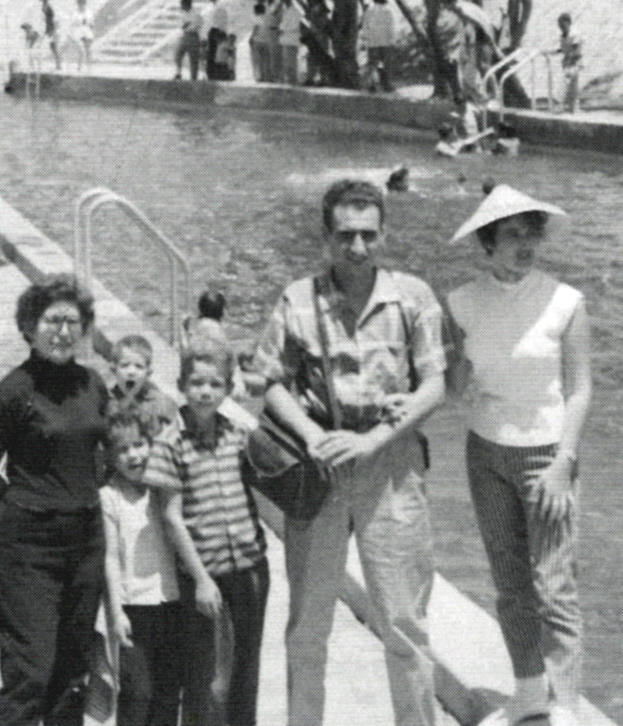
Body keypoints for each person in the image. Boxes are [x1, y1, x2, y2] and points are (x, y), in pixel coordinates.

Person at [255, 179, 448, 726]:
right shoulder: (297, 298)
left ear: (384, 234)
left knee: (404, 624)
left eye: (368, 235)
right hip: (320, 467)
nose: (357, 248)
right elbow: (268, 380)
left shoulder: (413, 297)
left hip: (391, 465)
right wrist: (312, 436)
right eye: (345, 235)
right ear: (326, 236)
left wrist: (373, 440)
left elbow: (435, 385)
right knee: (308, 626)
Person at [445, 186, 591, 726]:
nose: (525, 244)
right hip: (486, 452)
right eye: (512, 234)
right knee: (509, 583)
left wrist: (563, 463)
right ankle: (529, 693)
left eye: (532, 232)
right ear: (488, 242)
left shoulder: (565, 302)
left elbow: (580, 390)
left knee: (555, 585)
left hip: (547, 455)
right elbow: (456, 387)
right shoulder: (460, 303)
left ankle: (567, 706)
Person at [0, 275, 110, 726]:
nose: (64, 331)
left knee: (72, 671)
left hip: (86, 540)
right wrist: (28, 503)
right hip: (28, 547)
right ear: (30, 326)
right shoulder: (8, 394)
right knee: (29, 672)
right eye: (52, 320)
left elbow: (102, 454)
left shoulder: (93, 385)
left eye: (73, 321)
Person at [148, 334, 270, 726]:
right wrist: (200, 579)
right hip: (207, 575)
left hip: (249, 566)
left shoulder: (236, 434)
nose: (205, 392)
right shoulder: (170, 443)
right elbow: (170, 515)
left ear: (228, 390)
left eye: (215, 384)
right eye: (197, 383)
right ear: (182, 386)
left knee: (245, 669)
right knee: (206, 676)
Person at [101, 410, 186, 726]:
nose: (133, 455)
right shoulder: (109, 497)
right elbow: (109, 556)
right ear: (110, 457)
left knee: (168, 693)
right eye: (122, 450)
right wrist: (115, 611)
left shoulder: (163, 490)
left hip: (172, 603)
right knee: (138, 693)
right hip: (134, 608)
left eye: (139, 445)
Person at [110, 334, 180, 439]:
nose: (131, 372)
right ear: (113, 370)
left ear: (148, 373)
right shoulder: (105, 401)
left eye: (139, 366)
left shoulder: (162, 404)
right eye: (124, 365)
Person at [360, 0, 398, 93]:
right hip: (385, 42)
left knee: (373, 64)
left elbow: (365, 27)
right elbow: (391, 27)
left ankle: (372, 85)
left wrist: (364, 40)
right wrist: (392, 40)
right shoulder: (388, 11)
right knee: (386, 64)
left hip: (372, 42)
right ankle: (386, 85)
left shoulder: (368, 11)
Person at [552, 14, 583, 114]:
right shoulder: (563, 36)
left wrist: (569, 59)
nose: (561, 28)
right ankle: (574, 109)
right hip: (566, 62)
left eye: (563, 25)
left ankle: (558, 103)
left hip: (574, 61)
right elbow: (564, 48)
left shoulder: (574, 34)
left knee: (565, 81)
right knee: (573, 86)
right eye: (560, 26)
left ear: (569, 23)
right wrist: (556, 51)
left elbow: (575, 49)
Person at [249, 0, 277, 84]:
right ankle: (267, 75)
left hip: (258, 39)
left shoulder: (258, 9)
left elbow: (256, 25)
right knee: (267, 59)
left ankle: (259, 76)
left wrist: (251, 37)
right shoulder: (269, 9)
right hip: (267, 38)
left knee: (258, 60)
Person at [174, 0, 203, 81]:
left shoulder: (196, 13)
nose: (181, 6)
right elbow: (181, 24)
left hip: (193, 36)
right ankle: (178, 73)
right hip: (185, 35)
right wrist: (186, 25)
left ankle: (194, 78)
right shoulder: (182, 13)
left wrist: (188, 25)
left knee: (193, 58)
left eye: (182, 5)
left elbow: (197, 25)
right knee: (177, 54)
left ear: (187, 5)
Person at [39, 0, 63, 71]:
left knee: (55, 46)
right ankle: (58, 64)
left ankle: (59, 65)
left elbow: (54, 17)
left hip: (53, 27)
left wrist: (54, 29)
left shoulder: (50, 5)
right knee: (52, 46)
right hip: (48, 27)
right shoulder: (43, 5)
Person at [73, 0, 95, 71]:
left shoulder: (88, 13)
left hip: (87, 32)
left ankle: (89, 66)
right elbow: (74, 23)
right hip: (79, 32)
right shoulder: (76, 13)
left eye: (83, 4)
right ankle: (79, 66)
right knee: (81, 50)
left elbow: (92, 23)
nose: (81, 6)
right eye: (80, 4)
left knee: (88, 49)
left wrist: (90, 25)